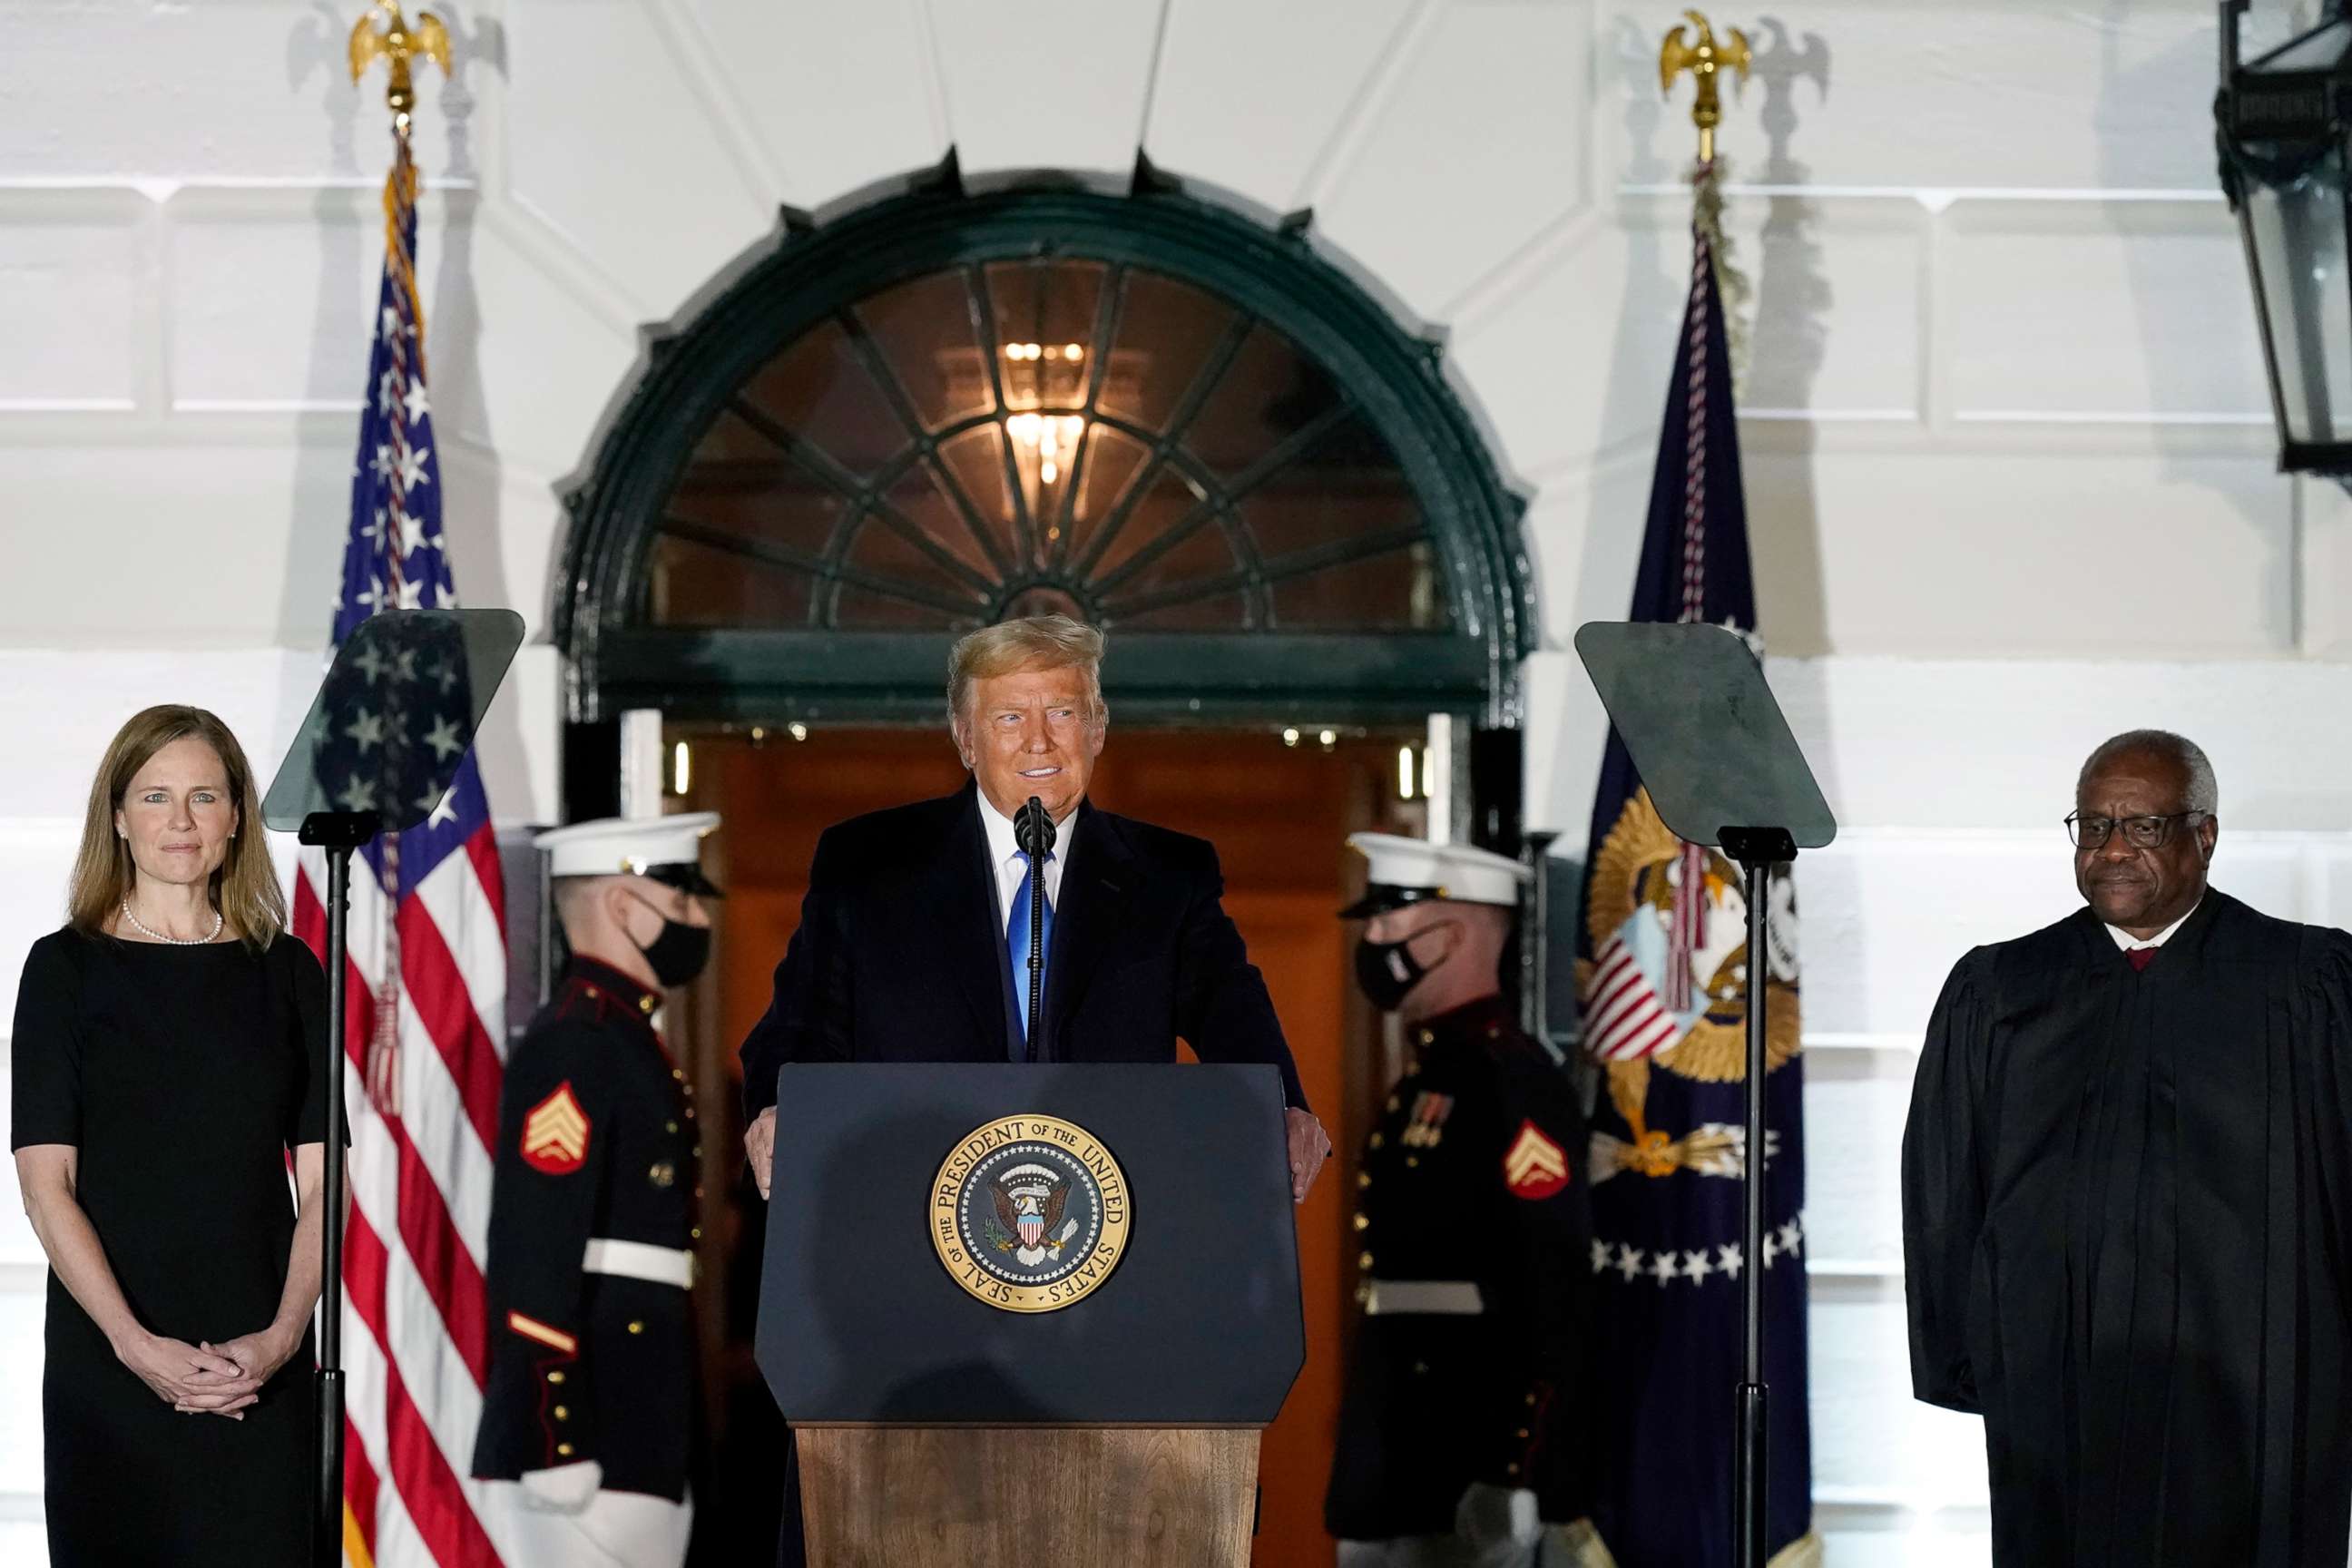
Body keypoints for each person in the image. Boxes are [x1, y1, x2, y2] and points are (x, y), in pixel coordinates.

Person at [1903, 729, 2352, 1566]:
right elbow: (1944, 1183)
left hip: (2258, 1379)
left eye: (2143, 827)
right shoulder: (2000, 987)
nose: (2111, 850)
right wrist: (1965, 1355)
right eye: (2093, 825)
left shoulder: (2306, 981)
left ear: (2203, 836)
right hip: (2059, 1373)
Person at [739, 614, 1331, 1202]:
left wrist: (1284, 1107)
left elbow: (1231, 1008)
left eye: (1063, 713)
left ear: (1098, 729)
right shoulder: (868, 862)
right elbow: (801, 1023)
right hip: (912, 1210)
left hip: (1107, 1227)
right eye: (1010, 717)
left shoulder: (1169, 875)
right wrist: (779, 1107)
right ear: (966, 738)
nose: (1039, 741)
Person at [10, 705, 334, 1566]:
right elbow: (47, 1186)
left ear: (236, 818)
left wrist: (281, 1339)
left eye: (204, 796)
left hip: (259, 1363)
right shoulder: (64, 970)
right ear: (118, 818)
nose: (180, 822)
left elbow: (326, 1186)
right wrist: (134, 1345)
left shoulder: (290, 970)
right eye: (155, 796)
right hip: (110, 1360)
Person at [1326, 833, 1592, 1568]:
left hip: (1465, 1451)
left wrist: (1515, 1465)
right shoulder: (1432, 1072)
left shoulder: (1510, 1081)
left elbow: (1555, 1280)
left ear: (1452, 933)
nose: (1373, 941)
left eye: (1389, 921)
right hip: (1396, 1450)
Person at [471, 812, 721, 1568]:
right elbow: (534, 1247)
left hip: (641, 1407)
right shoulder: (577, 1042)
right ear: (623, 905)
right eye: (682, 901)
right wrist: (557, 1437)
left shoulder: (626, 1036)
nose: (700, 918)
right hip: (592, 1424)